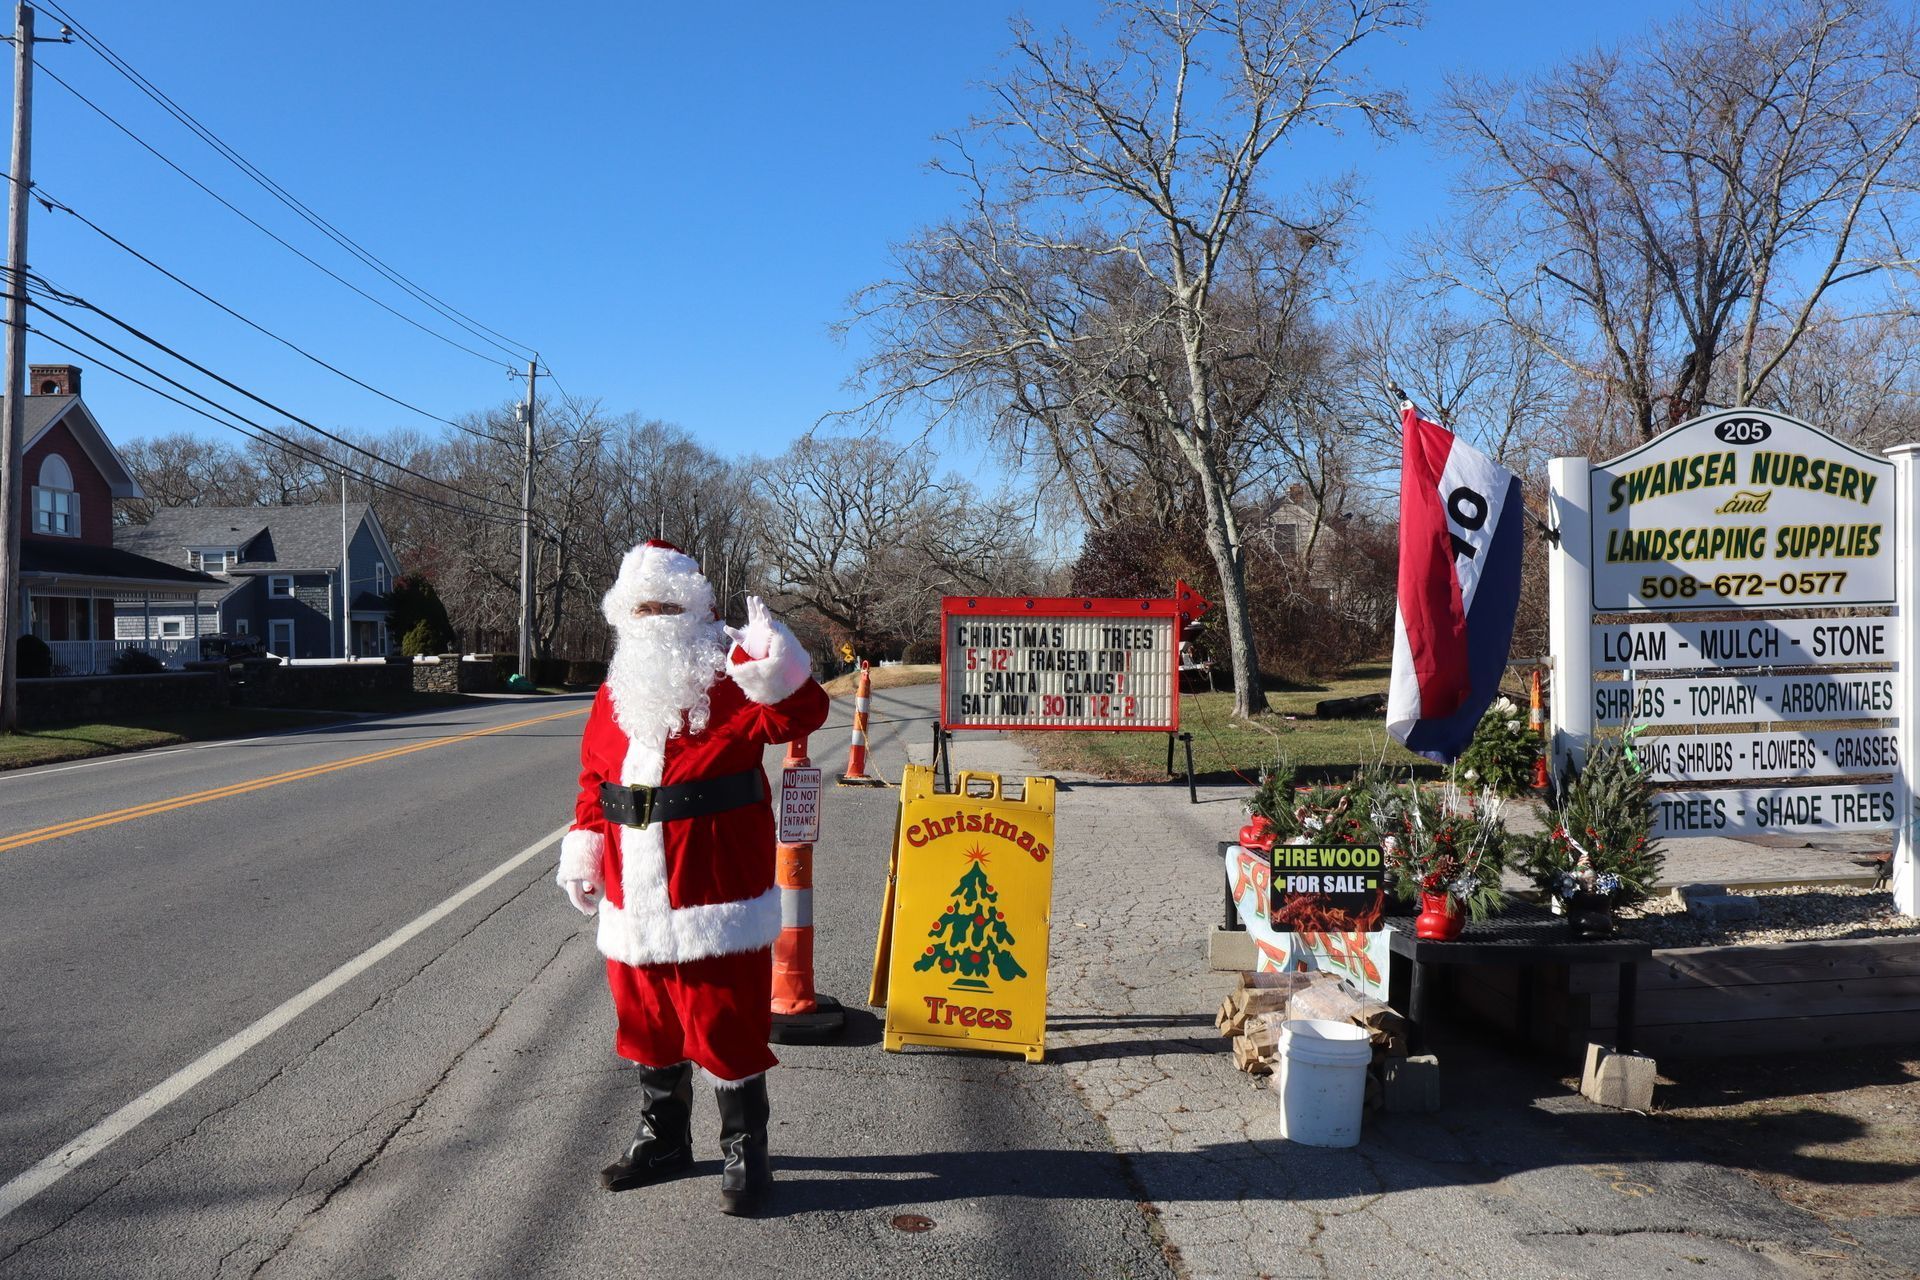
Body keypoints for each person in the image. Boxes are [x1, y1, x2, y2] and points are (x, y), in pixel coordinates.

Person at [556, 539, 828, 1215]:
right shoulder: (613, 693)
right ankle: (665, 1138)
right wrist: (584, 847)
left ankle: (745, 1150)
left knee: (725, 1022)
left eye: (668, 605)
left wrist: (777, 664)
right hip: (632, 893)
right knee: (646, 1021)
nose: (655, 618)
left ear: (696, 610)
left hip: (717, 892)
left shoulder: (732, 678)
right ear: (624, 614)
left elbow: (804, 715)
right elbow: (596, 780)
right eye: (642, 607)